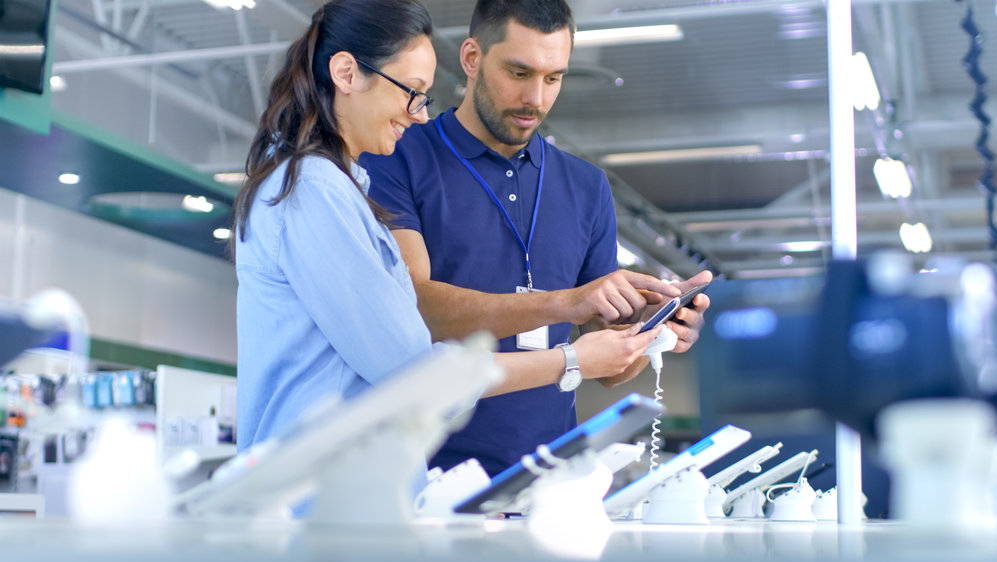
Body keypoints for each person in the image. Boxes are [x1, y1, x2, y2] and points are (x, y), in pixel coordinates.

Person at [231, 0, 663, 456]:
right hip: (327, 491)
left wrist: (647, 328)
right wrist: (568, 357)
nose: (419, 113)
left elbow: (405, 352)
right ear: (346, 74)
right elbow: (413, 367)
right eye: (410, 91)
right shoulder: (316, 191)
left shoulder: (338, 190)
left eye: (553, 78)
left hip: (361, 486)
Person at [361, 0, 712, 476]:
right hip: (425, 474)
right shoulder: (398, 155)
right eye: (519, 72)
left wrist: (651, 335)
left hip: (545, 479)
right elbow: (414, 307)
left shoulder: (587, 187)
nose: (537, 98)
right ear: (471, 58)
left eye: (553, 78)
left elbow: (603, 364)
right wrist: (563, 303)